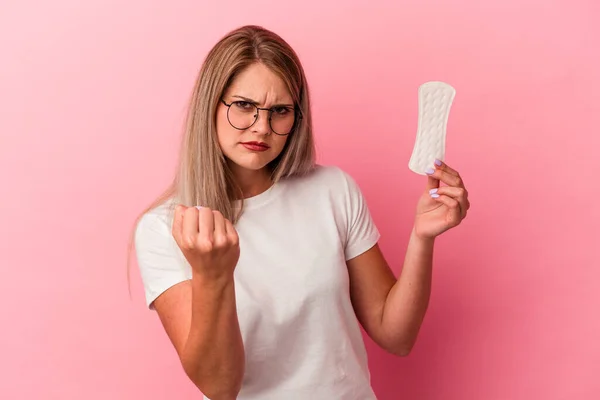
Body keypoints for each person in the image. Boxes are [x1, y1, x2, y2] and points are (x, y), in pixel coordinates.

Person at [132, 25, 470, 400]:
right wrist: (212, 275)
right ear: (210, 105)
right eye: (243, 105)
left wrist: (422, 236)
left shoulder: (332, 190)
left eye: (280, 111)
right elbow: (219, 387)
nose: (261, 127)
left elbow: (397, 335)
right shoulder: (166, 228)